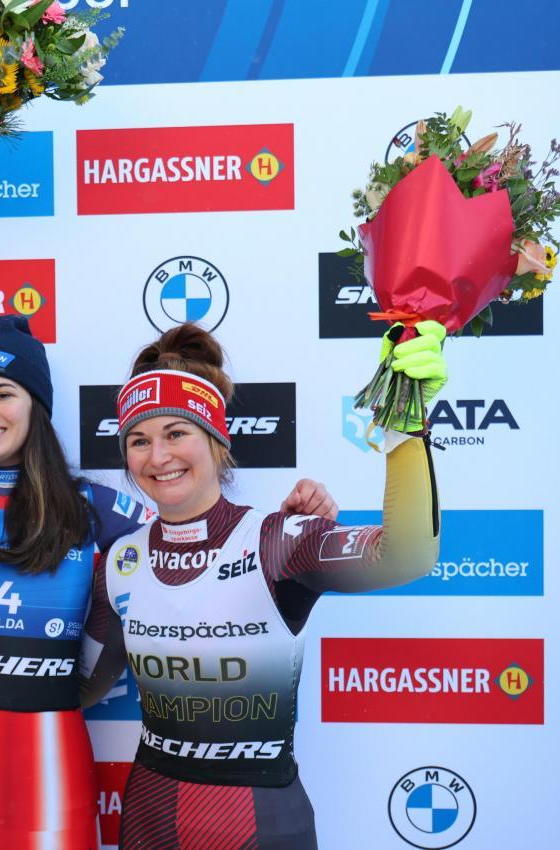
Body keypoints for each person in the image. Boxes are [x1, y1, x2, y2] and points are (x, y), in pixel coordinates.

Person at [0, 147, 337, 849]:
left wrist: (289, 531)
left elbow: (205, 551)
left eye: (3, 393)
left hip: (45, 785)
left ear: (37, 407)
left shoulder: (101, 512)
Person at [87, 322, 445, 849]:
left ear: (216, 439)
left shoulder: (278, 540)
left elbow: (408, 554)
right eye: (139, 440)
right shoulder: (121, 562)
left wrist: (405, 420)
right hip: (149, 820)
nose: (157, 456)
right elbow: (79, 687)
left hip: (260, 823)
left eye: (176, 433)